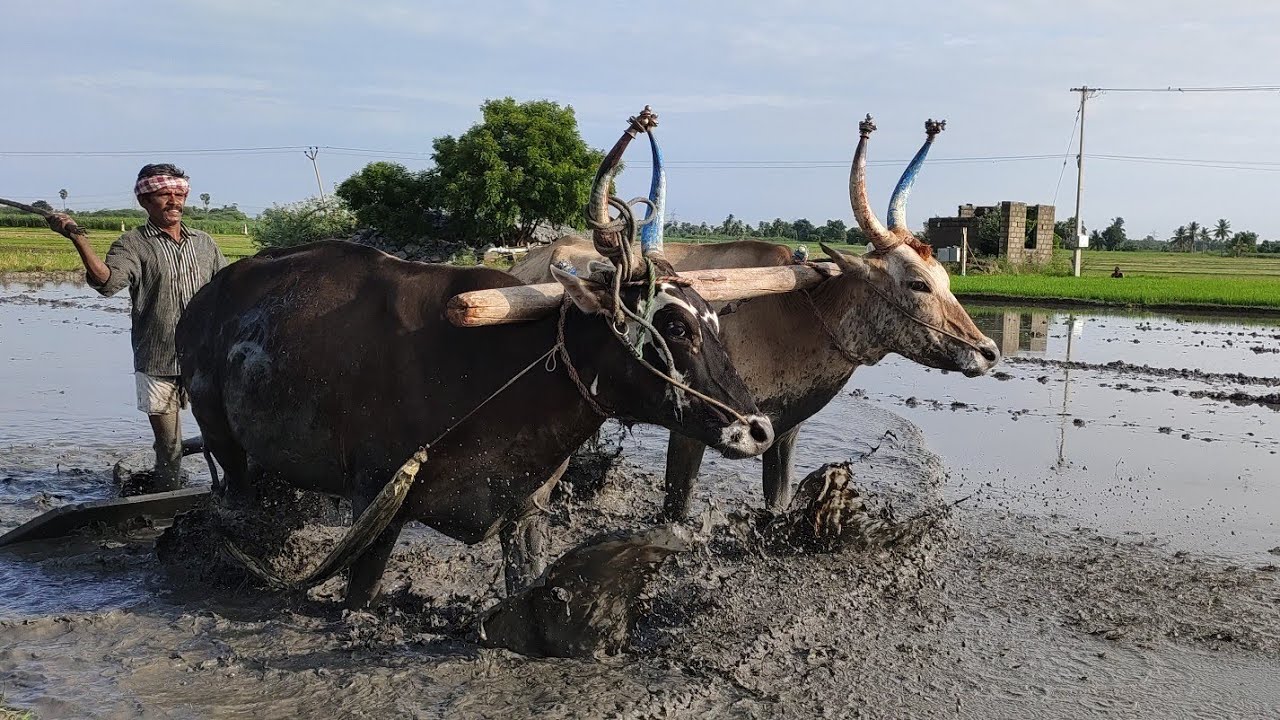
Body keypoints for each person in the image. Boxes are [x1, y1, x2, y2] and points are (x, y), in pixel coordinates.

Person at [46, 164, 228, 492]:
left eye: (178, 194)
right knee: (169, 447)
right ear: (145, 200)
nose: (173, 202)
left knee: (225, 436)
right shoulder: (132, 244)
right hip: (157, 359)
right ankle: (167, 498)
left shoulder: (205, 244)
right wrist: (78, 238)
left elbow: (229, 290)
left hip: (205, 361)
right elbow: (106, 282)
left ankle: (230, 494)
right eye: (163, 195)